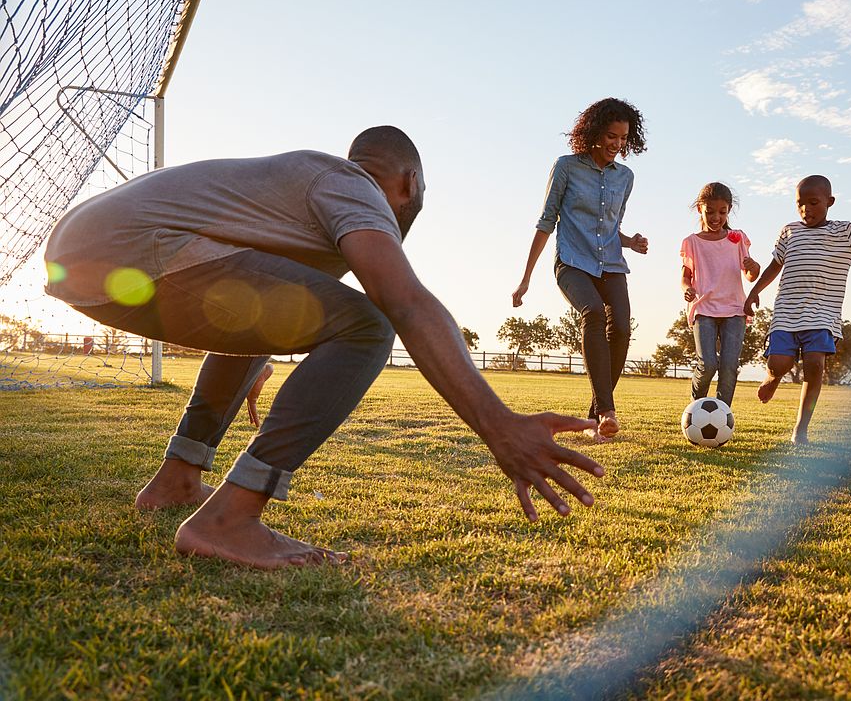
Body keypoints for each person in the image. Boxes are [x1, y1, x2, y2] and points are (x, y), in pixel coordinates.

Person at [44, 126, 605, 570]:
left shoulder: (306, 199)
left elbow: (253, 301)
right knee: (368, 325)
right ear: (409, 183)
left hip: (85, 256)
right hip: (131, 247)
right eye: (421, 192)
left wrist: (255, 347)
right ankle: (228, 521)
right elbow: (404, 301)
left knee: (287, 318)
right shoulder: (348, 182)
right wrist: (498, 425)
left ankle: (176, 480)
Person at [512, 98, 648, 443]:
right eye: (611, 136)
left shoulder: (625, 177)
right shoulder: (566, 167)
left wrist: (630, 241)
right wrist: (526, 278)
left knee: (620, 327)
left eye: (623, 138)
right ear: (593, 133)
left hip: (612, 264)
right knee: (593, 314)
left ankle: (595, 415)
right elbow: (546, 222)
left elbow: (609, 227)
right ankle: (607, 410)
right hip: (572, 263)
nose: (617, 145)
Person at [743, 160, 851, 443]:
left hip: (822, 315)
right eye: (800, 204)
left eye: (814, 202)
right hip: (786, 313)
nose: (806, 209)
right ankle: (773, 377)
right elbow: (774, 265)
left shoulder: (846, 233)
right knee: (778, 364)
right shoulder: (789, 231)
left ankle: (801, 429)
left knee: (815, 365)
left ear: (830, 201)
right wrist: (755, 291)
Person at [680, 182, 760, 408]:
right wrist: (687, 289)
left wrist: (754, 266)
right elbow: (685, 276)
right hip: (704, 309)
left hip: (734, 309)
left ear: (729, 210)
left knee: (728, 365)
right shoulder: (692, 242)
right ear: (700, 210)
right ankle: (695, 410)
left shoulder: (737, 239)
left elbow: (750, 276)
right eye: (710, 212)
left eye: (722, 212)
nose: (716, 217)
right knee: (707, 364)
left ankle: (722, 413)